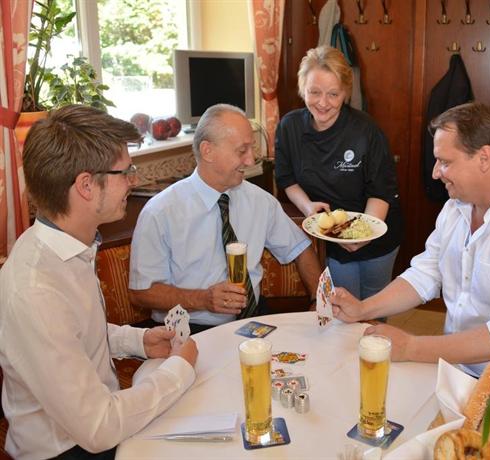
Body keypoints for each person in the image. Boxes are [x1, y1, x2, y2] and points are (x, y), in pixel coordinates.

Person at [331, 103, 490, 443]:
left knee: (455, 448)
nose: (436, 173)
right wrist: (363, 308)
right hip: (461, 365)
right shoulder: (456, 208)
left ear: (485, 158)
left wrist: (412, 347)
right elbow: (425, 273)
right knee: (376, 411)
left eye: (445, 162)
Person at [0, 105, 198, 460]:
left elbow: (75, 332)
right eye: (125, 172)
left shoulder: (67, 244)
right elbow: (98, 427)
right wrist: (178, 371)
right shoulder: (34, 290)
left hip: (95, 428)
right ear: (86, 185)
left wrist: (139, 340)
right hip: (69, 451)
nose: (133, 181)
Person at [129, 104, 321, 333]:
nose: (251, 160)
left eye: (251, 149)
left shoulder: (260, 201)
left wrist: (317, 299)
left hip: (254, 318)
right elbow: (141, 292)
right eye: (242, 151)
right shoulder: (160, 212)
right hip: (191, 328)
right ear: (208, 151)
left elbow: (300, 248)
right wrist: (203, 299)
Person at [274, 45, 403, 300]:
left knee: (373, 307)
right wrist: (308, 207)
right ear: (302, 89)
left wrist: (363, 233)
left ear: (345, 93)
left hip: (376, 232)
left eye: (333, 94)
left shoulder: (366, 130)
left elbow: (381, 191)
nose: (323, 103)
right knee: (342, 305)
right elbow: (286, 179)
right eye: (314, 92)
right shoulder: (289, 127)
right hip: (331, 237)